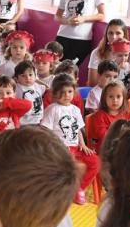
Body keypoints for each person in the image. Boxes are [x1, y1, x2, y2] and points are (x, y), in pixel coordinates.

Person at [41, 74, 98, 205]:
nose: (66, 95)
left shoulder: (75, 110)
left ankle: (79, 188)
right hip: (60, 149)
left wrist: (83, 144)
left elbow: (77, 130)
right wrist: (56, 147)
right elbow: (46, 131)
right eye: (62, 92)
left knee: (95, 162)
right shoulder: (52, 109)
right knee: (72, 166)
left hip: (76, 148)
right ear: (55, 93)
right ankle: (64, 190)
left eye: (70, 91)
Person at [55, 0, 105, 66]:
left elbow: (102, 15)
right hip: (62, 36)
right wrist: (67, 21)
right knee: (55, 68)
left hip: (82, 40)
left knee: (69, 70)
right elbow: (57, 17)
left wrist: (84, 18)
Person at [85, 19, 130, 87]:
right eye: (110, 33)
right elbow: (92, 83)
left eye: (118, 33)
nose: (114, 37)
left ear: (124, 35)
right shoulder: (97, 53)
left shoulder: (129, 54)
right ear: (106, 35)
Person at [86, 80, 130, 154]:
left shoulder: (127, 114)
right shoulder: (99, 116)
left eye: (118, 96)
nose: (115, 100)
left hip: (123, 147)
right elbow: (105, 136)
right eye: (111, 97)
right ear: (104, 99)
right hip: (106, 150)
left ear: (124, 98)